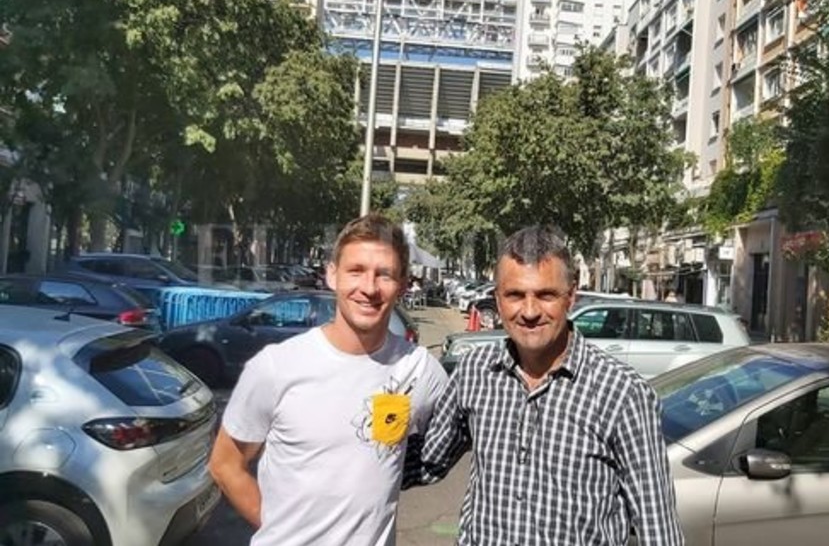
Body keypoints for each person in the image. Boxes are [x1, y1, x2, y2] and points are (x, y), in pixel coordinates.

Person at [405, 225, 683, 545]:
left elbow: (658, 529)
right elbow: (428, 462)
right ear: (497, 299)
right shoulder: (475, 372)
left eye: (546, 295)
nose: (530, 311)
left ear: (571, 297)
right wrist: (358, 447)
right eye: (515, 295)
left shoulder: (623, 394)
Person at [209, 214, 448, 546]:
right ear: (332, 275)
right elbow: (225, 464)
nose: (369, 287)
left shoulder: (419, 370)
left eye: (385, 275)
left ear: (403, 285)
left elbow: (471, 423)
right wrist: (280, 529)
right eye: (356, 271)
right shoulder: (276, 367)